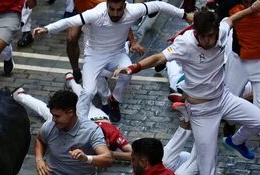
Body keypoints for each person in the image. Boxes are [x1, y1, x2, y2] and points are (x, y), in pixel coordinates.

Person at [114, 3, 260, 175]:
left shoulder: (221, 31)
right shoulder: (185, 42)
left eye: (212, 36)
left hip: (224, 98)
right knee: (208, 164)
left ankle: (236, 140)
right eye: (204, 37)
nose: (209, 41)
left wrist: (251, 10)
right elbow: (159, 56)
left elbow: (231, 20)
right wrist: (133, 67)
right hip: (201, 111)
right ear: (196, 33)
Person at [34, 0, 191, 122]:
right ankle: (80, 125)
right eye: (112, 9)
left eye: (119, 10)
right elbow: (70, 21)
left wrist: (184, 14)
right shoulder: (96, 13)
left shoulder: (133, 10)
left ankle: (114, 100)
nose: (115, 14)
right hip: (94, 56)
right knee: (88, 92)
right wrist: (47, 28)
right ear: (107, 5)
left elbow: (160, 5)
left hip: (117, 53)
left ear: (125, 6)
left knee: (128, 71)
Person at [223, 0, 260, 175]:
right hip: (238, 61)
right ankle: (230, 123)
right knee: (225, 105)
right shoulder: (229, 3)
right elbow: (218, 23)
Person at [13, 81, 133, 162]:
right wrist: (110, 154)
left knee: (82, 99)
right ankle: (20, 95)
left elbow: (132, 154)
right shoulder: (102, 135)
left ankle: (20, 95)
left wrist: (111, 154)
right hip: (93, 117)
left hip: (94, 118)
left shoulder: (110, 135)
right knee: (51, 110)